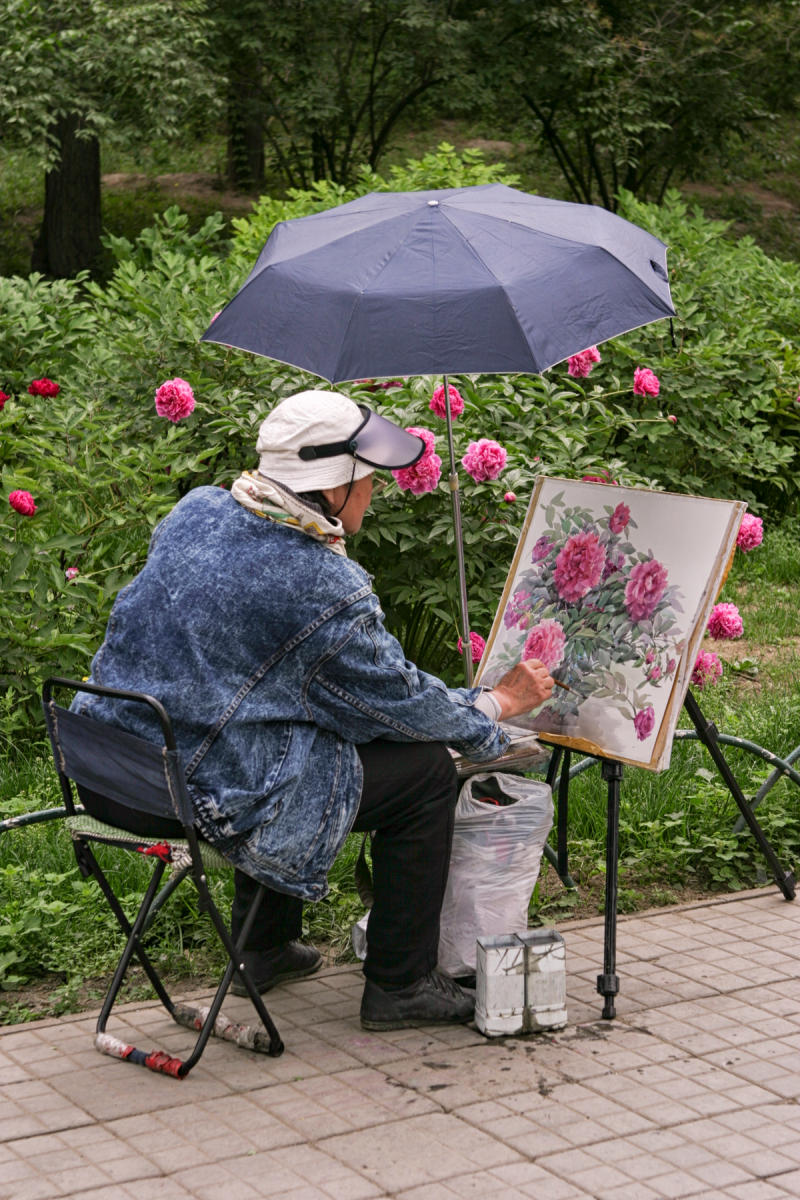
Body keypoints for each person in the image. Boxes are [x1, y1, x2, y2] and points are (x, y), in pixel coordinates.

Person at [73, 390, 553, 1030]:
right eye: (366, 477)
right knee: (423, 774)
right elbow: (397, 705)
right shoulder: (318, 582)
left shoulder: (200, 509)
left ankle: (262, 950)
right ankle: (401, 985)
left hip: (105, 759)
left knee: (287, 735)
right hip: (188, 788)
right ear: (332, 487)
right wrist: (496, 705)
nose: (373, 491)